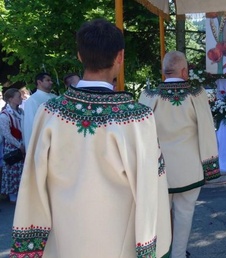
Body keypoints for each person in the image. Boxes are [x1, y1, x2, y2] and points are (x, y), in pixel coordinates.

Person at [10, 18, 171, 258]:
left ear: (80, 56)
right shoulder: (138, 118)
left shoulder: (50, 113)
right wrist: (153, 246)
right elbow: (151, 187)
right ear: (120, 57)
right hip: (119, 243)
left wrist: (30, 244)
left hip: (64, 241)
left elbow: (32, 182)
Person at [139, 50, 220, 258]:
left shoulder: (148, 96)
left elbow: (139, 135)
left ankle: (158, 253)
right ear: (184, 71)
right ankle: (178, 254)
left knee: (158, 216)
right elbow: (207, 131)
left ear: (164, 71)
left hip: (157, 169)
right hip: (189, 169)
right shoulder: (196, 95)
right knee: (184, 213)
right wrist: (210, 166)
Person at [0, 88, 24, 204]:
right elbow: (6, 134)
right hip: (12, 147)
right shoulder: (4, 115)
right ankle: (13, 196)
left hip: (21, 144)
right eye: (18, 97)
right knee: (12, 171)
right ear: (11, 99)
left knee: (21, 171)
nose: (21, 99)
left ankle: (21, 193)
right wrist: (19, 145)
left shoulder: (20, 112)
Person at [21, 72, 56, 151]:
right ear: (39, 82)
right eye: (48, 80)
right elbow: (30, 125)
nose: (51, 82)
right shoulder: (32, 100)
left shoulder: (55, 97)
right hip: (43, 141)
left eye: (51, 80)